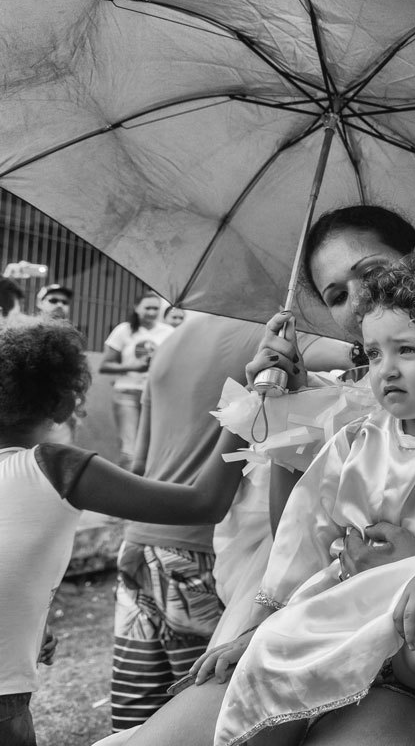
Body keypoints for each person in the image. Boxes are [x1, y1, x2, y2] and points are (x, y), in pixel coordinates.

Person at [117, 205, 415, 746]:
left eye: (369, 274)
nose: (360, 301)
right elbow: (299, 534)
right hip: (323, 621)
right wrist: (283, 411)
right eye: (336, 295)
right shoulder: (344, 405)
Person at [206, 259, 415, 746]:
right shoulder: (355, 438)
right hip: (347, 608)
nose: (386, 370)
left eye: (407, 349)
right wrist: (261, 619)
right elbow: (306, 528)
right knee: (272, 652)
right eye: (373, 354)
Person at [0, 322, 246, 746]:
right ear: (63, 402)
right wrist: (254, 400)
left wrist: (28, 619)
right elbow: (204, 503)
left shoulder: (171, 346)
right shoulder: (55, 466)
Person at [109, 313, 264, 730]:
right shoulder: (267, 339)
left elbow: (138, 462)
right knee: (200, 718)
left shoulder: (171, 341)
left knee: (133, 718)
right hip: (198, 554)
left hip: (139, 544)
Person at [99, 292, 175, 469]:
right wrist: (133, 368)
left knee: (153, 448)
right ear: (136, 307)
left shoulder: (168, 332)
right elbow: (105, 365)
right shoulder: (123, 330)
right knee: (130, 449)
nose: (151, 312)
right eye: (147, 307)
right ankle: (127, 488)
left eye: (155, 308)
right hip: (127, 394)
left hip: (157, 396)